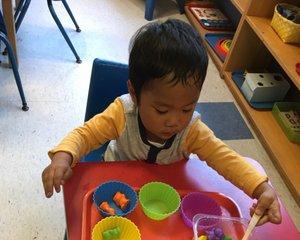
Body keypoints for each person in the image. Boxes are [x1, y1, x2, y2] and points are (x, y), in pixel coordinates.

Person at [42, 19, 281, 226]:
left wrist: (260, 188)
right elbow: (85, 135)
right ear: (134, 94)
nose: (175, 121)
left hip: (165, 198)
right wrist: (64, 154)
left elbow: (227, 160)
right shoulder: (122, 113)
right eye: (162, 109)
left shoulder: (192, 131)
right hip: (118, 187)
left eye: (187, 108)